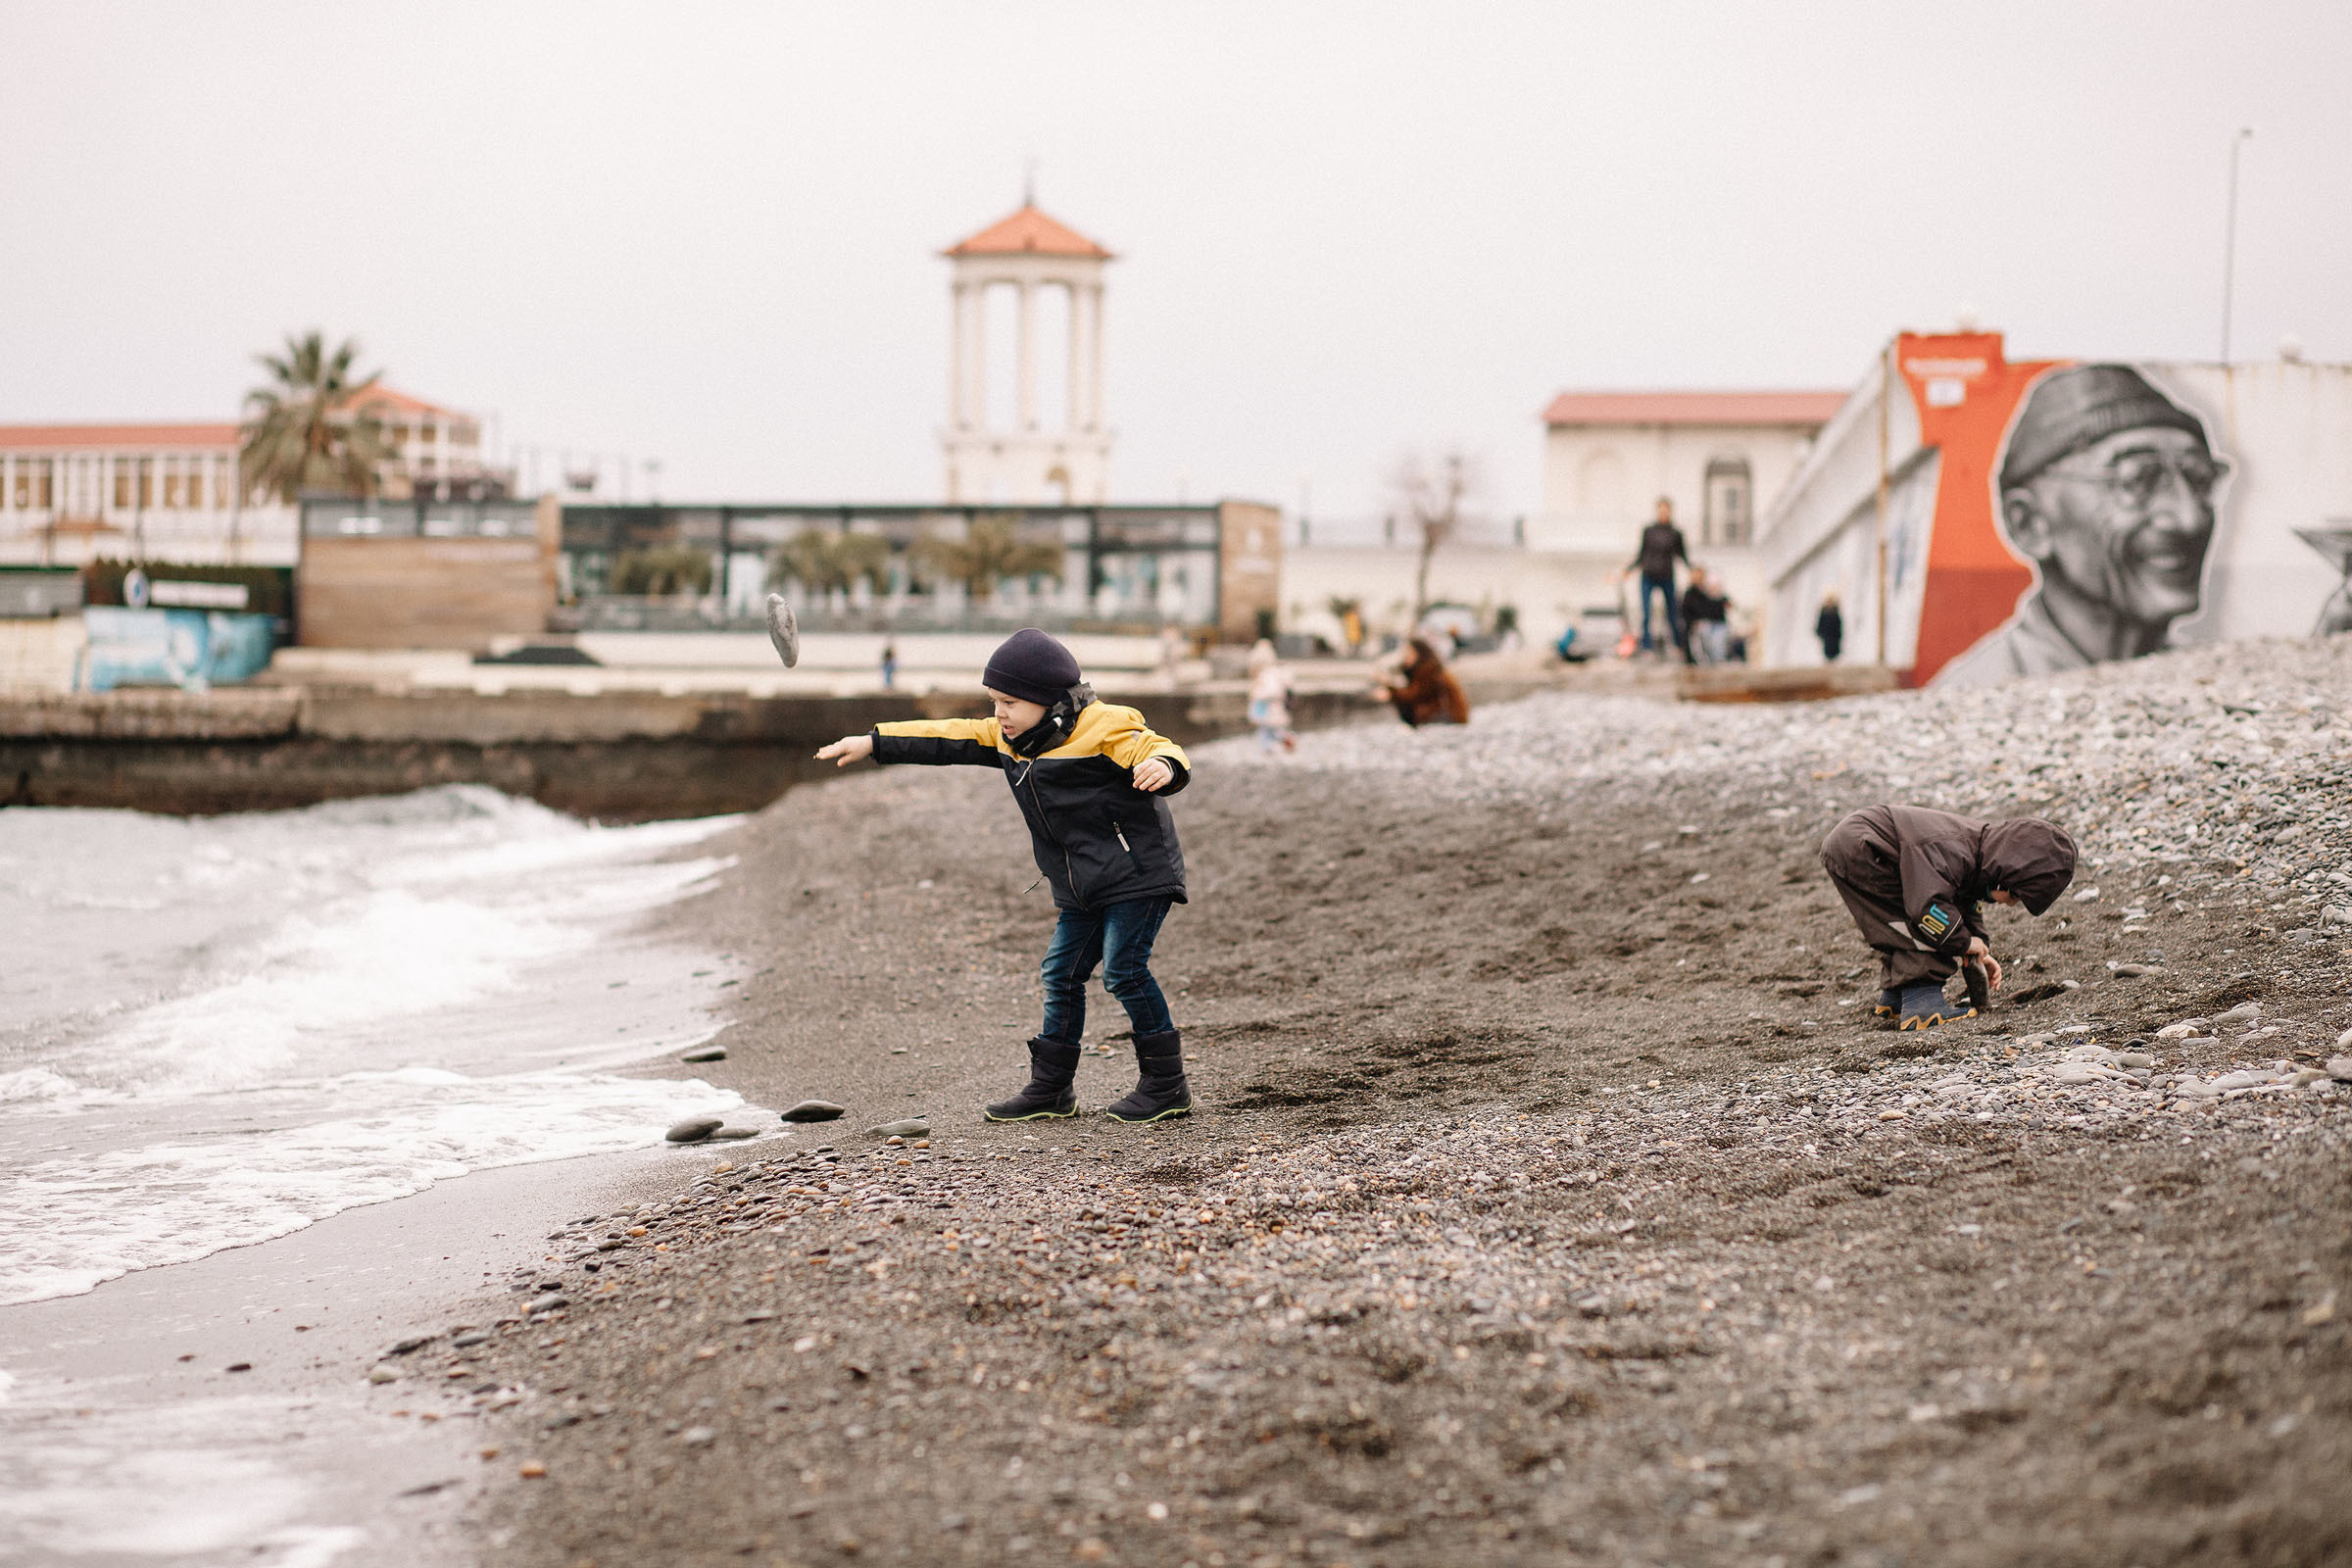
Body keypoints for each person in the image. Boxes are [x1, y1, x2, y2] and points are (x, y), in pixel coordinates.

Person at [813, 628, 1196, 1124]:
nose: (1000, 714)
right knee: (1060, 975)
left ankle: (1167, 1085)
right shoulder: (1008, 739)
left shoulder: (1105, 726)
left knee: (1123, 970)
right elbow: (946, 736)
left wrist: (1164, 767)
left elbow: (1161, 748)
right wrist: (872, 741)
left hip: (1137, 873)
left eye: (1010, 702)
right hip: (1080, 884)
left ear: (1048, 700)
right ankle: (1052, 1090)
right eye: (995, 702)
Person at [1938, 365, 2226, 688]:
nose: (2191, 519)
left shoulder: (2208, 683)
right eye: (2137, 480)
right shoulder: (1975, 695)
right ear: (2030, 524)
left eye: (2200, 479)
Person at [1819, 805, 2077, 1031]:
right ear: (2005, 877)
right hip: (1865, 848)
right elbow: (1926, 907)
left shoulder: (1977, 851)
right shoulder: (1953, 850)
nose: (2011, 905)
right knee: (1923, 919)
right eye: (2015, 897)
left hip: (1860, 843)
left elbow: (1963, 899)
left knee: (1905, 922)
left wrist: (1977, 945)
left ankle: (1896, 996)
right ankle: (1922, 1001)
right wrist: (1962, 942)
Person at [1626, 498, 1690, 656]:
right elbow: (1641, 554)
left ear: (1670, 511)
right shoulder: (1649, 531)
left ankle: (1676, 645)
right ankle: (1647, 647)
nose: (1663, 513)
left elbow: (1682, 556)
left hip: (1667, 576)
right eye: (1660, 510)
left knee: (1672, 612)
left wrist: (1693, 570)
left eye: (1666, 510)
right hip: (1648, 575)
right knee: (1646, 613)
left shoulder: (1675, 533)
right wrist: (1628, 570)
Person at [1372, 636, 1470, 727]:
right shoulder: (1424, 668)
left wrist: (1390, 690)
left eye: (1409, 653)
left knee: (1403, 704)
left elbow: (1413, 695)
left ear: (1419, 653)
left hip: (1450, 716)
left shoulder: (1429, 670)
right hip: (1446, 714)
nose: (1406, 656)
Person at [1246, 638, 1296, 754]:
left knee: (1272, 731)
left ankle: (1280, 744)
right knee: (1267, 731)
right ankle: (1269, 748)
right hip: (1269, 710)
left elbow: (1272, 691)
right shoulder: (1269, 674)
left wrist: (1257, 695)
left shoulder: (1268, 674)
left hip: (1270, 709)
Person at [1681, 570, 1731, 664]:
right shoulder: (1692, 593)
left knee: (1715, 648)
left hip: (1712, 624)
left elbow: (1727, 606)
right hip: (1698, 625)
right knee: (1704, 647)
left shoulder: (1706, 593)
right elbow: (1688, 611)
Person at [1816, 591, 1844, 662]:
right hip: (1827, 636)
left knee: (1834, 652)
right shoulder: (1824, 611)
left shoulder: (1835, 611)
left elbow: (1839, 624)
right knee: (1828, 651)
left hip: (1834, 636)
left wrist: (1839, 634)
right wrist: (1820, 632)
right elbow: (1820, 623)